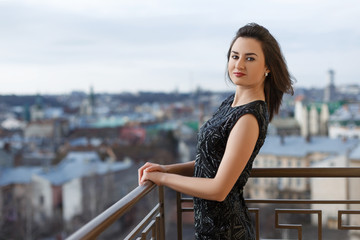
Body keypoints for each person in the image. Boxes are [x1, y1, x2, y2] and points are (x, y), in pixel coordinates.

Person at [138, 23, 294, 239]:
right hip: (212, 229)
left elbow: (219, 189)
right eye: (234, 56)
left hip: (226, 232)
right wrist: (166, 169)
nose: (239, 64)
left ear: (268, 66)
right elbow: (212, 162)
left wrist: (163, 180)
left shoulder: (248, 117)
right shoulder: (231, 103)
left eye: (250, 58)